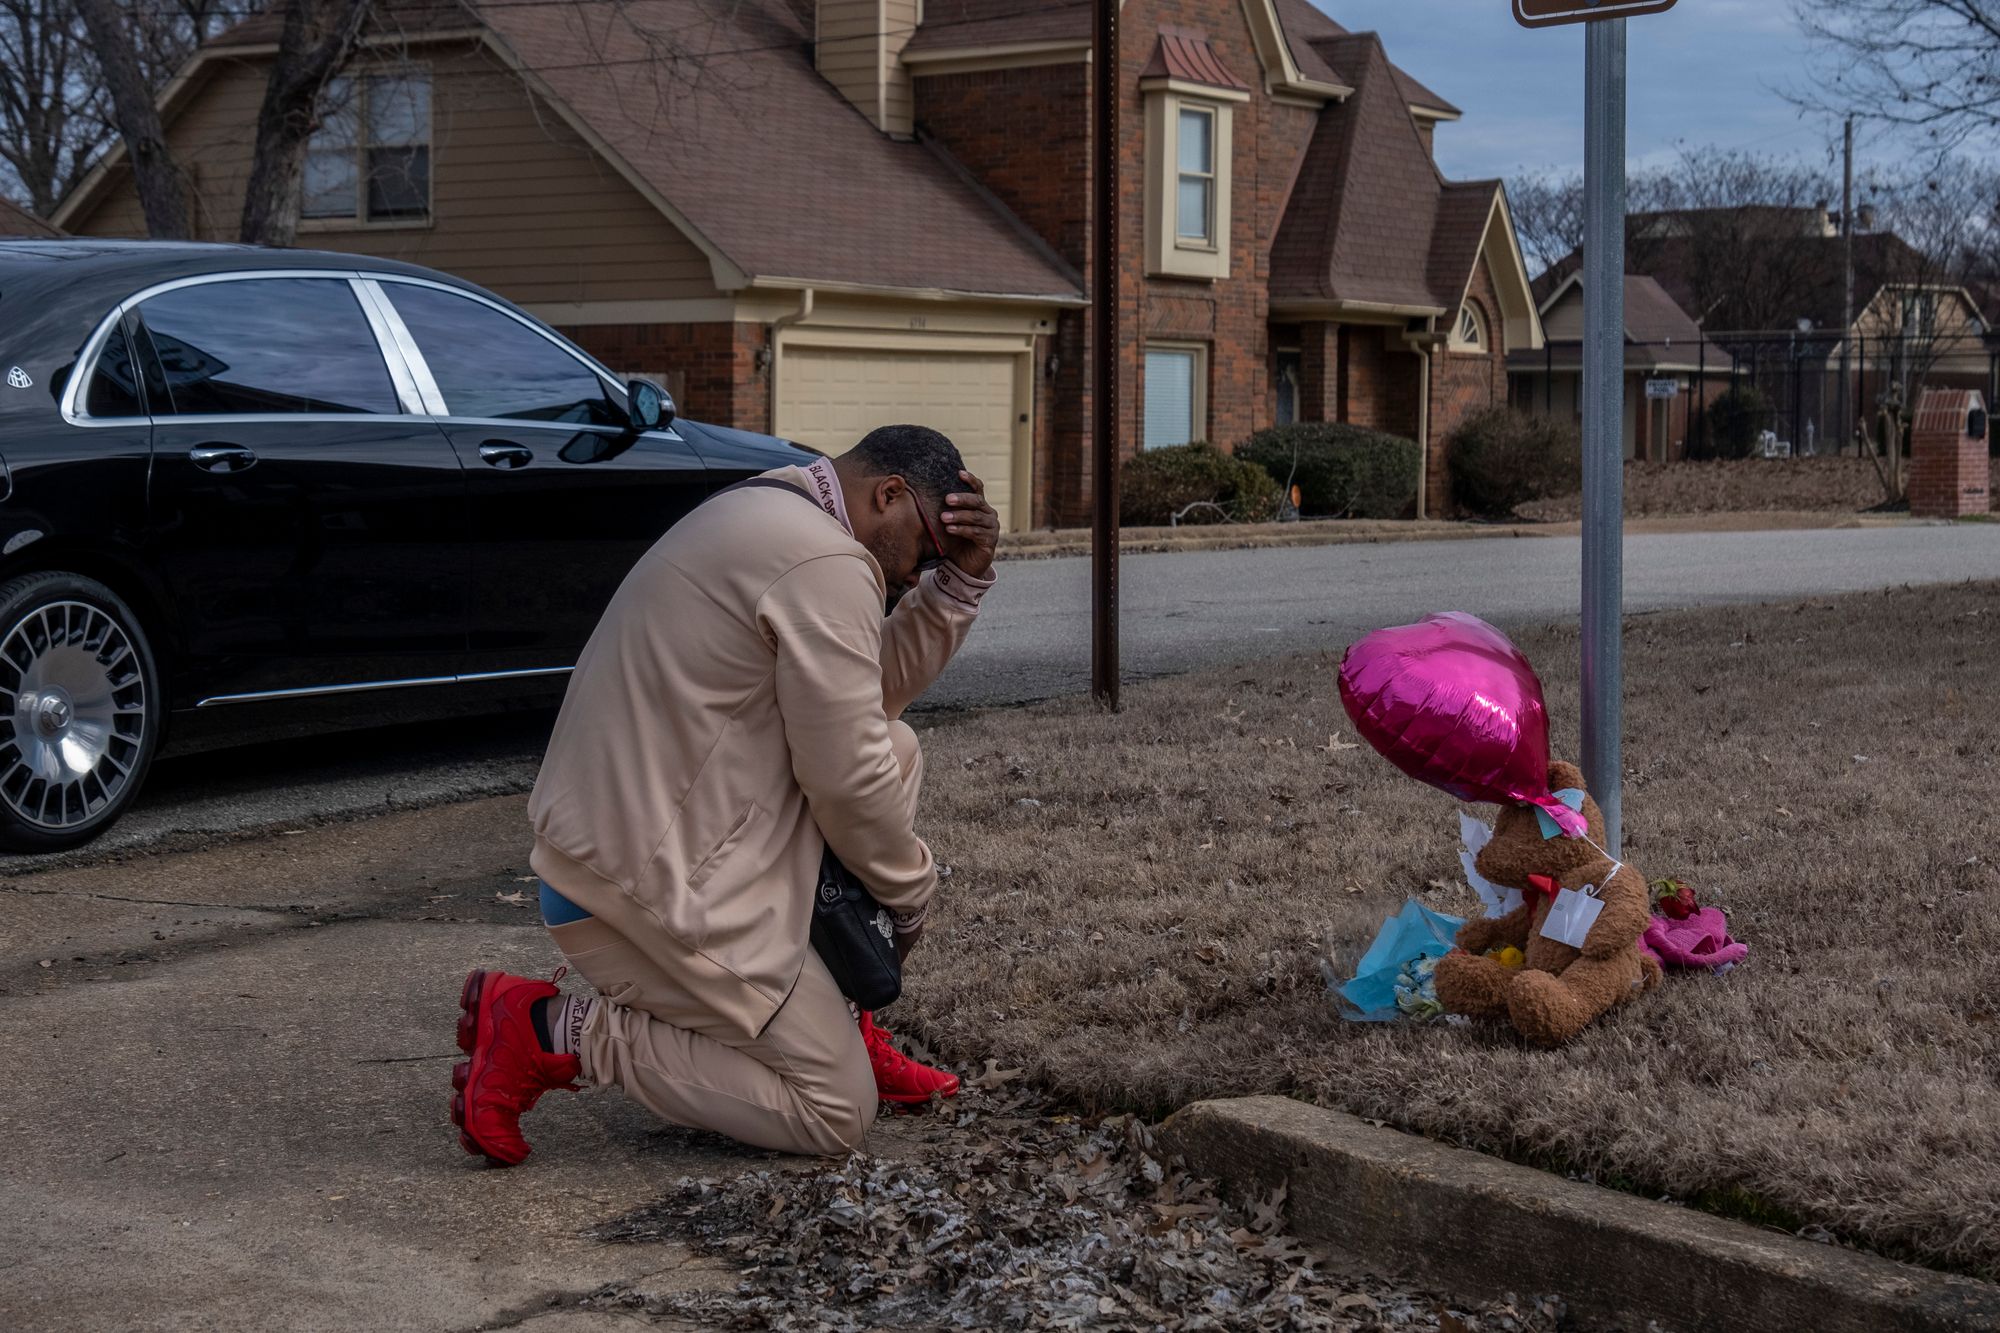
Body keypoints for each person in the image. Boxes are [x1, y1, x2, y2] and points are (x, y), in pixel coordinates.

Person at [448, 425, 1000, 1165]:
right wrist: (911, 895)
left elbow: (865, 707)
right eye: (930, 548)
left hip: (649, 842)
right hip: (628, 893)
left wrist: (955, 588)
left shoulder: (776, 508)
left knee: (897, 747)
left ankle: (836, 1016)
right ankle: (550, 1031)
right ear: (889, 495)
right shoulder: (825, 559)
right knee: (835, 1111)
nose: (922, 567)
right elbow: (846, 779)